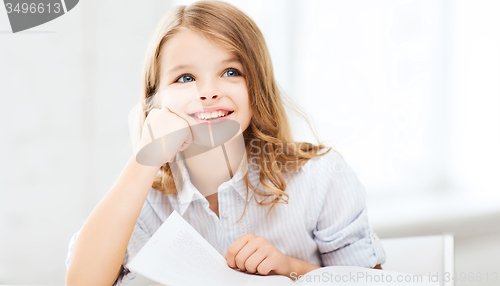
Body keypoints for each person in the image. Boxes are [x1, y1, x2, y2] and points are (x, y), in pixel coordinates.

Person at [65, 1, 385, 285]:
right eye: (185, 78)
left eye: (230, 71)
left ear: (257, 88)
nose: (207, 91)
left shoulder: (321, 178)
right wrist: (143, 159)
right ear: (155, 99)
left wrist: (289, 269)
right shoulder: (148, 200)